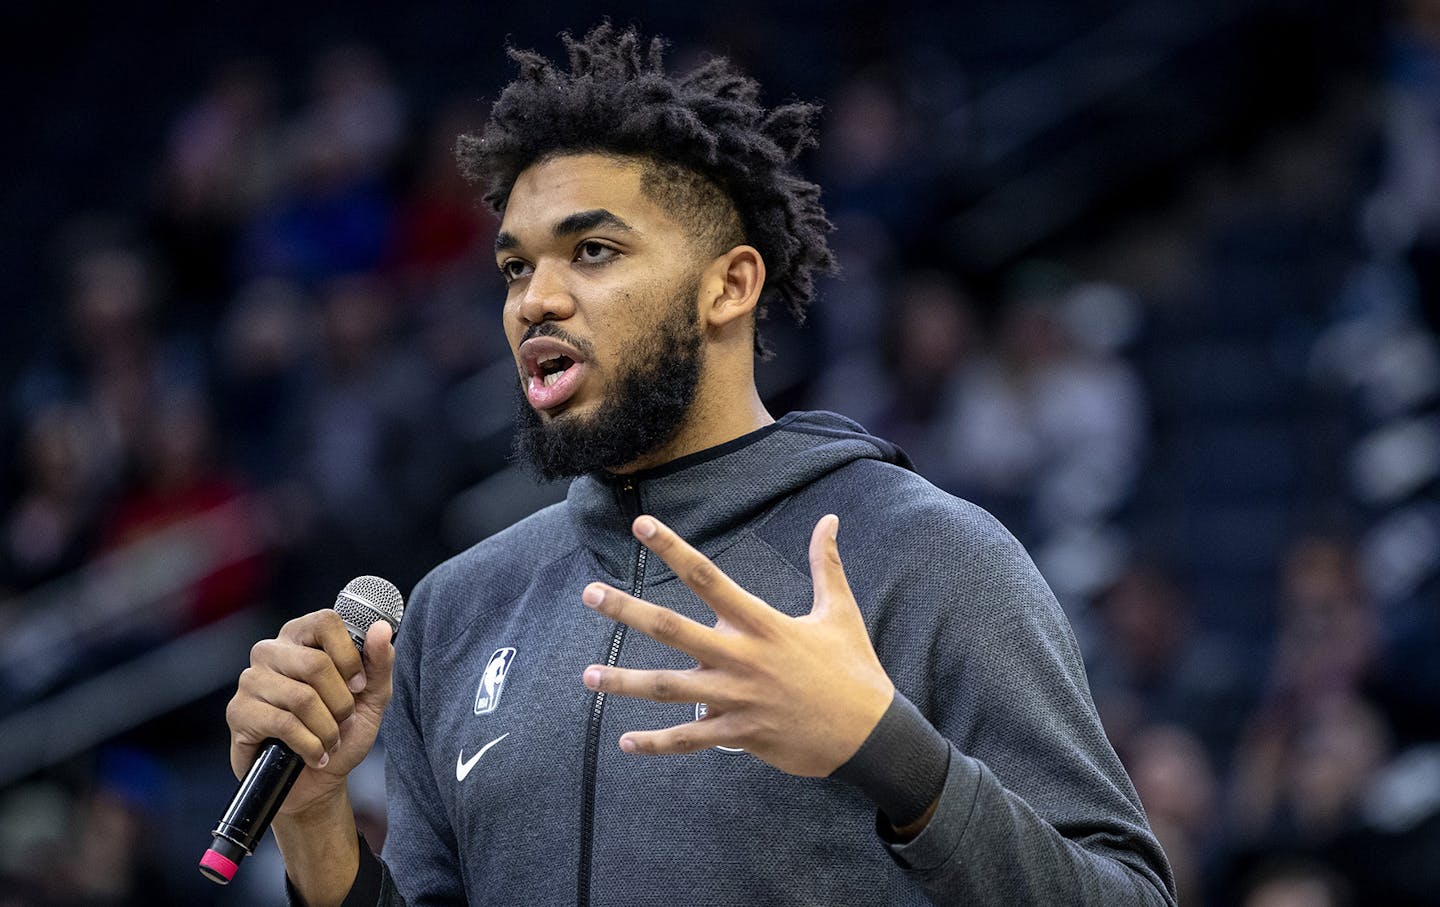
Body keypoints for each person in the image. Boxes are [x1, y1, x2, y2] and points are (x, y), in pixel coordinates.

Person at [223, 23, 1175, 906]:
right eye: (515, 267)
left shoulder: (927, 553)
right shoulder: (458, 608)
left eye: (591, 250)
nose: (534, 301)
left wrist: (888, 752)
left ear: (730, 285)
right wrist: (315, 824)